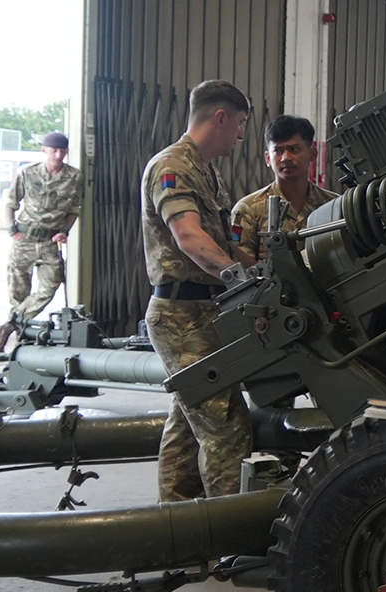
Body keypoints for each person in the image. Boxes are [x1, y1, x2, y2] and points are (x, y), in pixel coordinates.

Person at [142, 80, 258, 502]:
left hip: (203, 312)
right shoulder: (173, 167)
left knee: (187, 426)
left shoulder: (207, 172)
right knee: (227, 427)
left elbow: (223, 245)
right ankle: (227, 532)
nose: (241, 135)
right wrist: (238, 277)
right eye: (240, 124)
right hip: (181, 315)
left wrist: (264, 269)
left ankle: (177, 522)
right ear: (220, 118)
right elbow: (189, 237)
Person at [0, 131, 84, 356]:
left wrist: (64, 231)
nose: (58, 155)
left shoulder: (74, 177)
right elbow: (10, 202)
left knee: (49, 286)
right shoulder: (27, 173)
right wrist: (12, 230)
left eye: (62, 151)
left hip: (50, 240)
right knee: (18, 292)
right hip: (25, 239)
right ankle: (19, 344)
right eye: (54, 151)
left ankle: (5, 328)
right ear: (44, 150)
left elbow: (74, 209)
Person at [230, 114, 337, 263]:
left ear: (313, 154)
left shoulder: (333, 207)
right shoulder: (249, 209)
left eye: (294, 149)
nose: (285, 157)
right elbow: (241, 267)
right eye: (278, 151)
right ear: (268, 158)